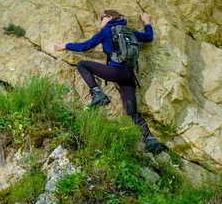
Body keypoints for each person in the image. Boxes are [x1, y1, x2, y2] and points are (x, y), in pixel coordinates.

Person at [54, 9, 163, 154]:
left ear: (109, 17)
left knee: (82, 65)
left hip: (116, 72)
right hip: (129, 77)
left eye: (102, 18)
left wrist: (65, 46)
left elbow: (85, 46)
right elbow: (148, 37)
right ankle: (151, 140)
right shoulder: (129, 31)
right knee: (132, 112)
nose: (100, 21)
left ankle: (97, 93)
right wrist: (147, 22)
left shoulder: (106, 30)